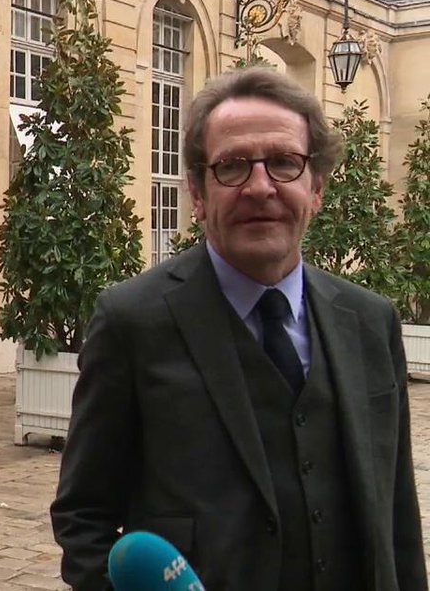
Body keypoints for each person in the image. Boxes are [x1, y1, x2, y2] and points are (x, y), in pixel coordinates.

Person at [51, 67, 427, 591]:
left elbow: (397, 514)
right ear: (198, 193)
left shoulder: (370, 320)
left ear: (316, 188)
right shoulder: (131, 321)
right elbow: (83, 517)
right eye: (232, 166)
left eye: (284, 162)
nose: (260, 187)